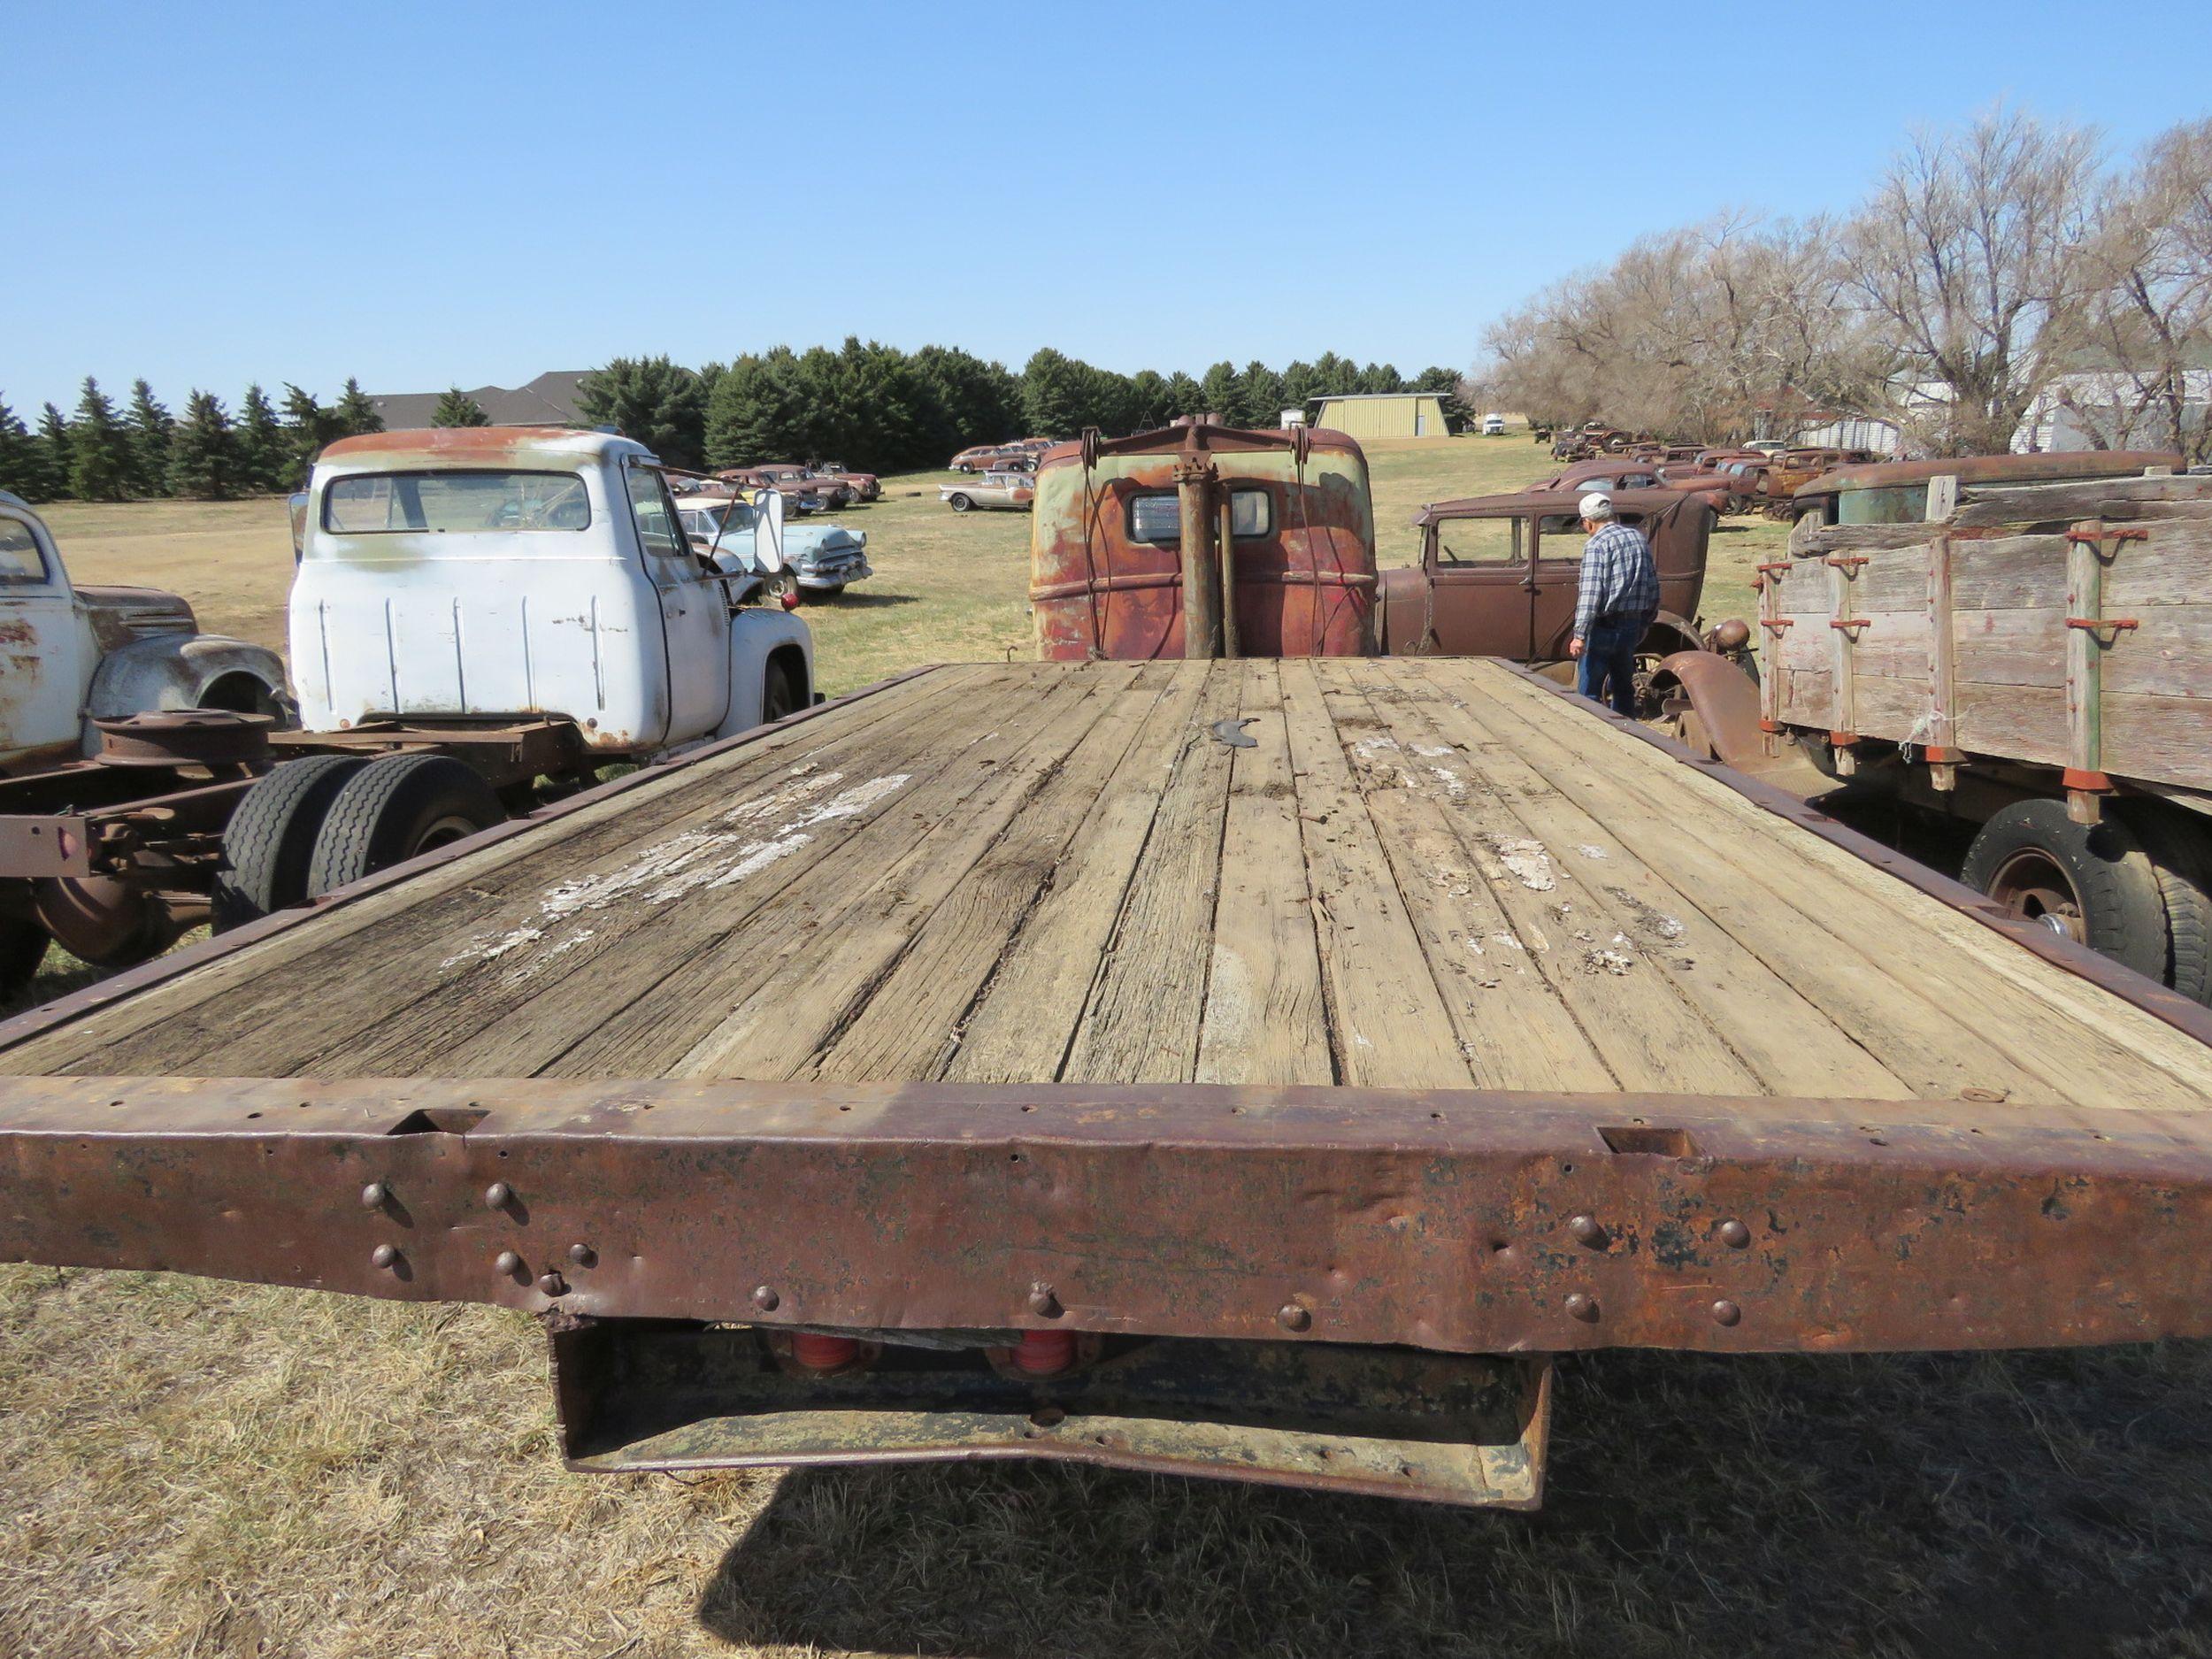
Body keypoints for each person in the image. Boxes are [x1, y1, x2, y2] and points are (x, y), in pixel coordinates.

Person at [1567, 490, 1659, 717]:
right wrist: (1645, 621)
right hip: (1631, 625)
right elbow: (1652, 584)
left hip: (1603, 627)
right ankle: (1628, 734)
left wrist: (1579, 635)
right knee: (1623, 688)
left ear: (1588, 523)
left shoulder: (1596, 545)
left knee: (1589, 692)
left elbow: (1590, 594)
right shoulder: (1638, 538)